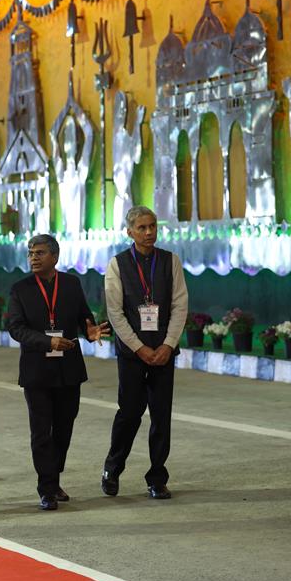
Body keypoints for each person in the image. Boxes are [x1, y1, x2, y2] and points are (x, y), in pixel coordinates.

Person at [7, 234, 110, 511]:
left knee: (64, 429)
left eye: (39, 253)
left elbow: (84, 318)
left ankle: (54, 479)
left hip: (68, 370)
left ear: (55, 256)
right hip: (37, 371)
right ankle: (46, 488)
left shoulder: (71, 284)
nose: (33, 258)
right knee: (41, 432)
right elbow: (16, 328)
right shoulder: (20, 289)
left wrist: (90, 331)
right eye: (30, 253)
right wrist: (47, 341)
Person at [101, 206, 188, 499]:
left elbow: (180, 305)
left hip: (164, 352)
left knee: (161, 416)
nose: (149, 232)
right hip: (132, 354)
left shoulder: (170, 261)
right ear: (129, 232)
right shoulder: (117, 264)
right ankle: (112, 469)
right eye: (142, 228)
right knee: (130, 414)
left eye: (152, 226)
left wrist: (168, 344)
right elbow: (115, 312)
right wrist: (139, 348)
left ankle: (157, 477)